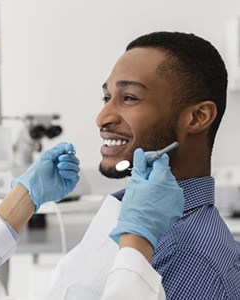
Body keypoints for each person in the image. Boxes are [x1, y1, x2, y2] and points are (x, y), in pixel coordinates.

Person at [0, 1, 184, 299]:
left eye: (130, 97)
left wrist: (25, 198)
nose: (102, 118)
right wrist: (138, 240)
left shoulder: (196, 253)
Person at [42, 32, 240, 299]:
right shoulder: (134, 218)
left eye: (130, 98)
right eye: (106, 98)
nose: (102, 117)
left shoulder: (189, 257)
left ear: (197, 117)